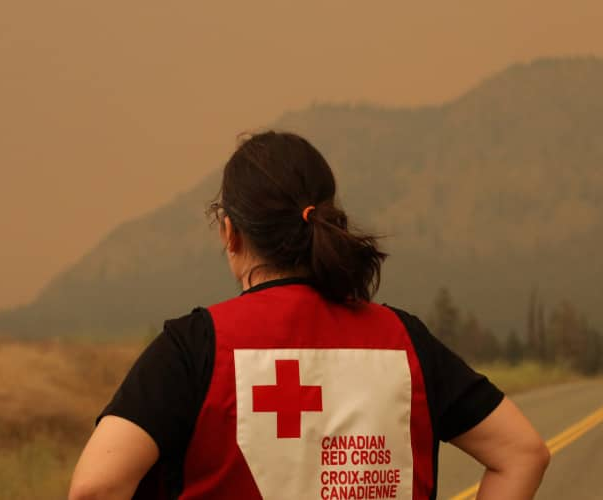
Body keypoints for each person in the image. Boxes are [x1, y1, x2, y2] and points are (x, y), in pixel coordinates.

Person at [69, 131, 550, 500]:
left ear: (230, 233)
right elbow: (522, 453)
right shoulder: (404, 341)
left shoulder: (195, 347)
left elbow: (95, 489)